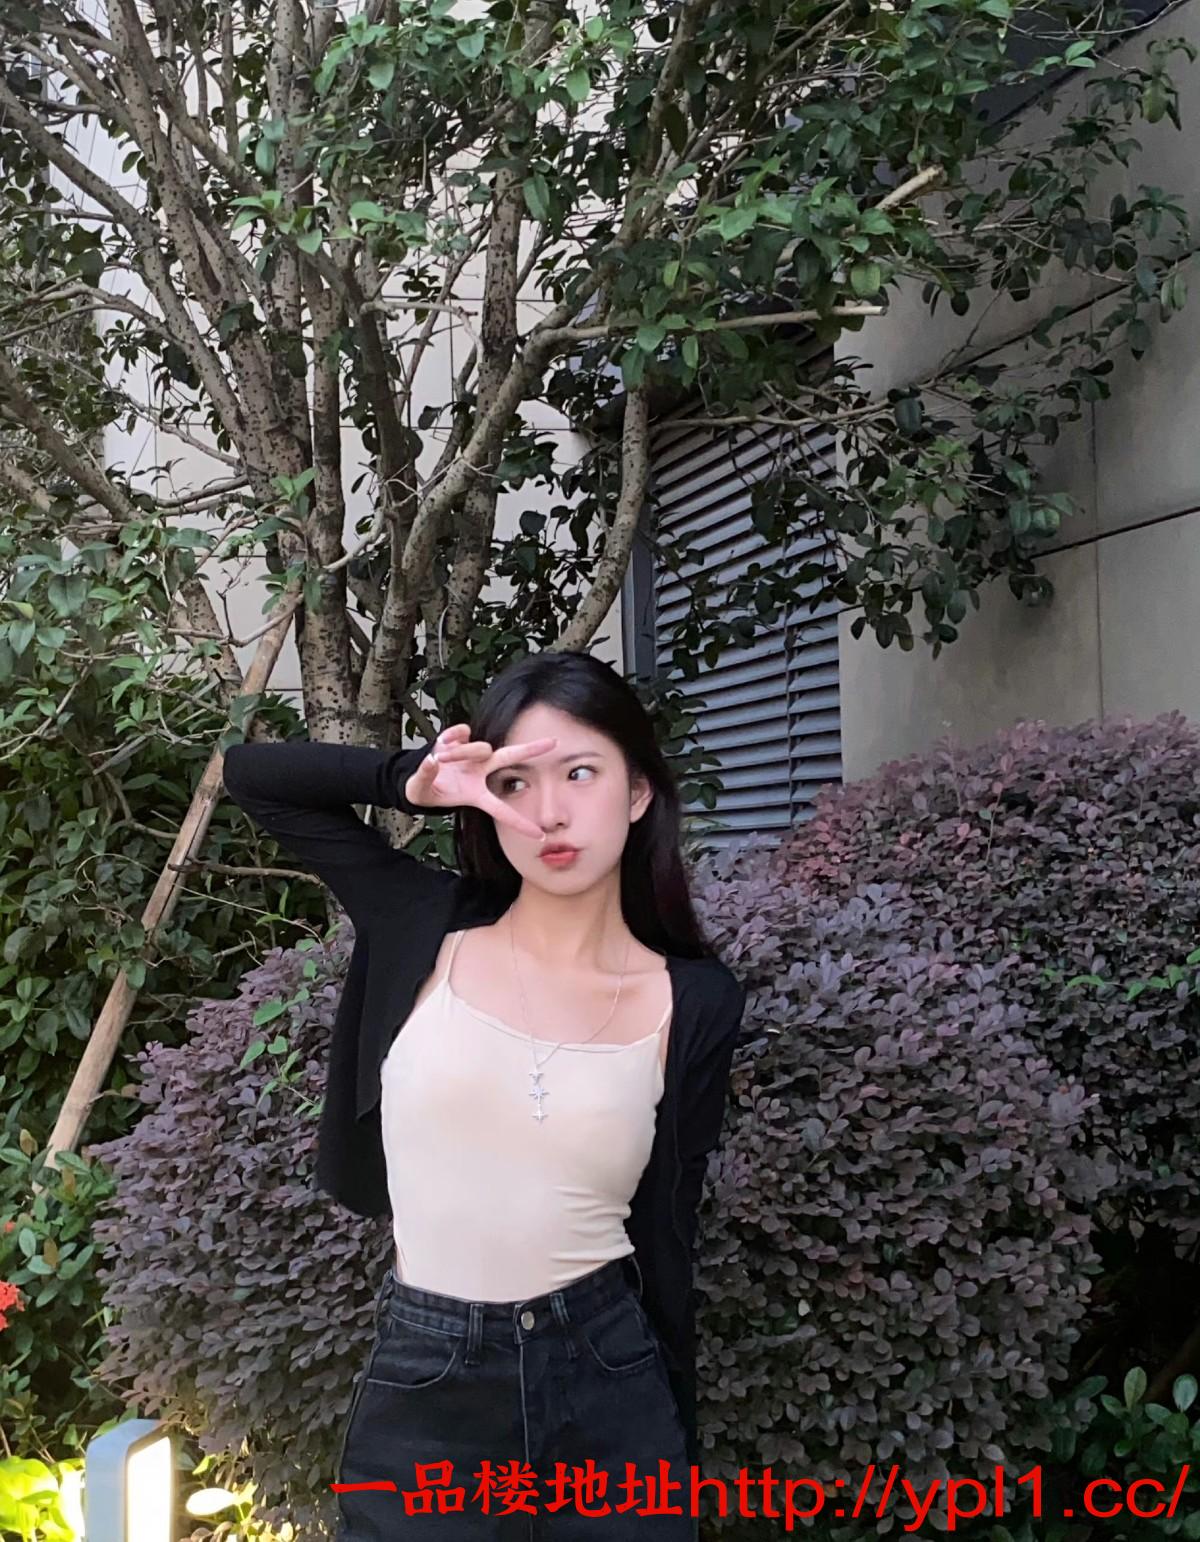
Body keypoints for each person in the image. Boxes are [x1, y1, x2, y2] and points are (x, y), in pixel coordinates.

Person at [221, 649, 747, 1539]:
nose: (548, 813)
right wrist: (411, 781)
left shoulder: (695, 1001)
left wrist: (676, 1440)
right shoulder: (424, 923)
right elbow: (253, 775)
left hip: (605, 1371)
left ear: (637, 792)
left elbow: (669, 1227)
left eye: (580, 773)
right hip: (428, 1375)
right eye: (514, 782)